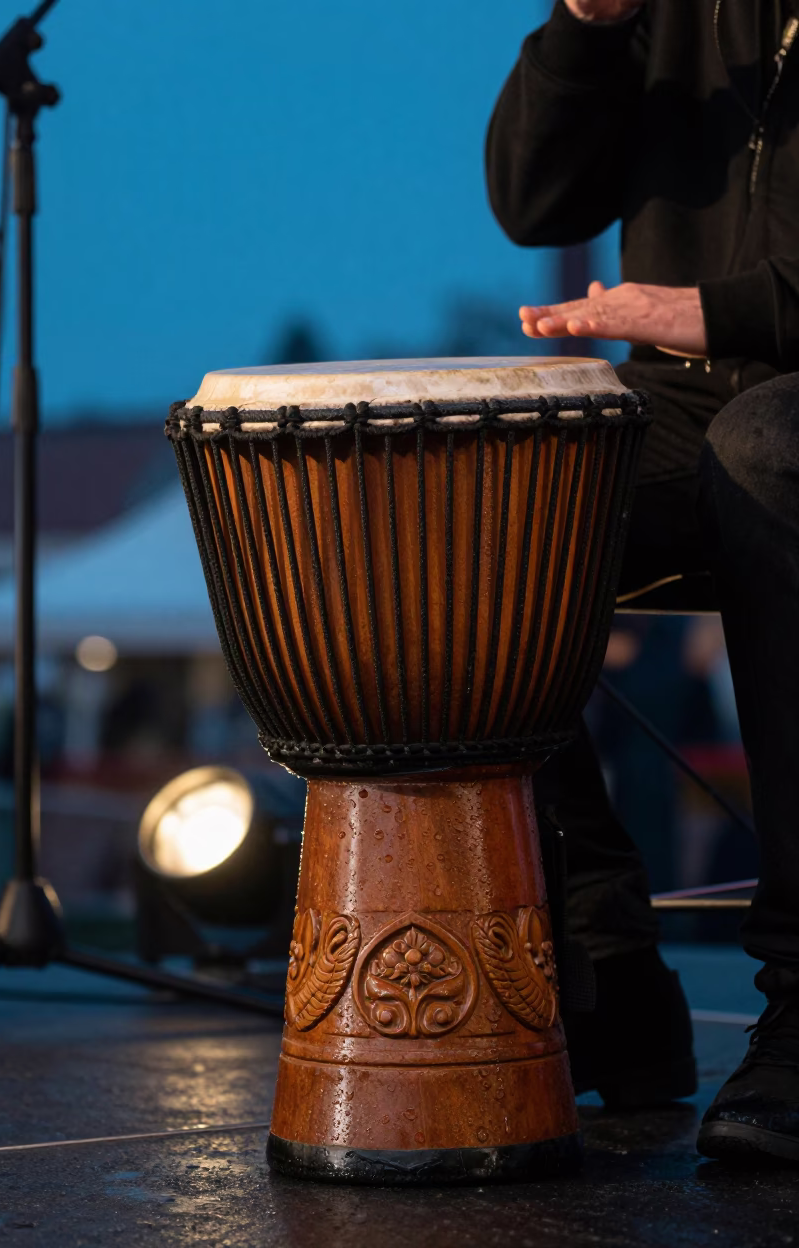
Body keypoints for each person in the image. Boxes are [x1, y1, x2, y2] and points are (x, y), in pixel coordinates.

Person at [487, 0, 799, 1164]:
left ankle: (798, 1005)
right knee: (491, 502)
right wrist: (582, 26)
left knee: (769, 450)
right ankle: (600, 955)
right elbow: (535, 203)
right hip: (684, 391)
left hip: (774, 393)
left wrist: (714, 310)